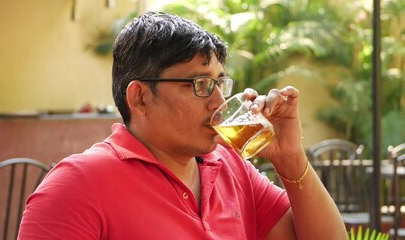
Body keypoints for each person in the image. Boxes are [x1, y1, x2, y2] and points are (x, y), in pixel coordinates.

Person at [18, 11, 347, 239]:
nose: (218, 102)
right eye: (200, 84)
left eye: (220, 83)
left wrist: (290, 156)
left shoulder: (232, 168)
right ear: (141, 98)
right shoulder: (77, 185)